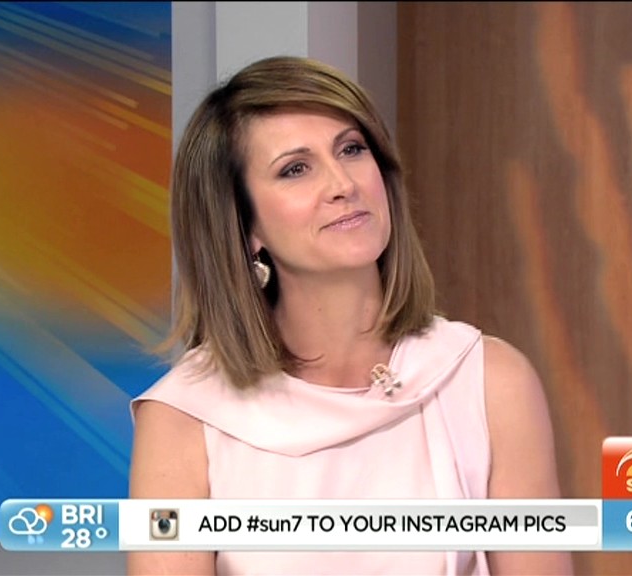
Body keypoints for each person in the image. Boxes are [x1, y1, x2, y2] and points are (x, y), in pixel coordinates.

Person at [128, 55, 572, 576]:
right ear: (245, 226)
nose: (342, 183)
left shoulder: (489, 381)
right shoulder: (184, 417)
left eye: (352, 149)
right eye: (295, 169)